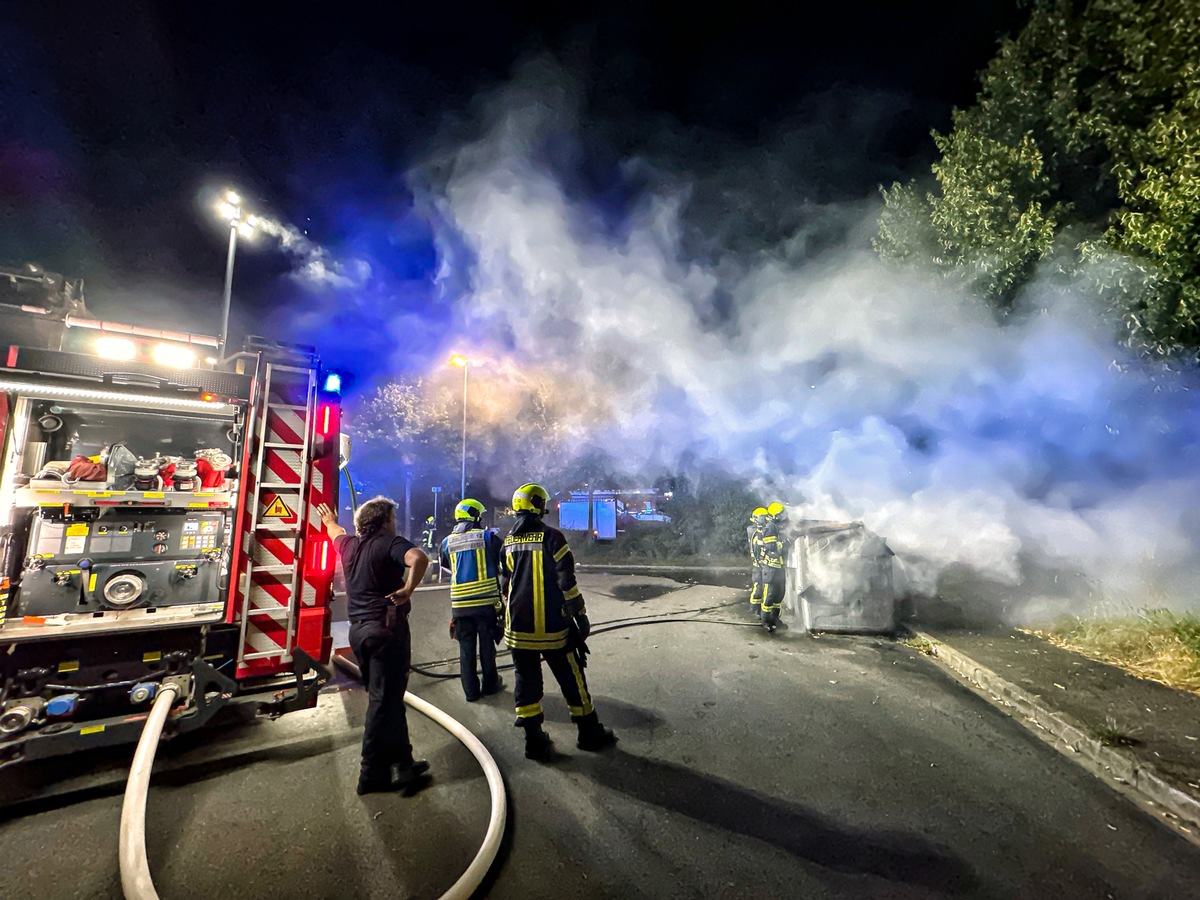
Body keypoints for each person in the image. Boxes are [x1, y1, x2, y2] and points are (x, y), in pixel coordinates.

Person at [318, 497, 430, 795]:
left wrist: (329, 521)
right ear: (384, 521)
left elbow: (334, 532)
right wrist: (407, 589)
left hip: (360, 634)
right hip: (386, 632)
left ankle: (404, 765)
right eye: (392, 518)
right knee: (382, 702)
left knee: (390, 698)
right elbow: (419, 559)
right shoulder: (389, 543)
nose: (395, 522)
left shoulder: (349, 545)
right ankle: (371, 774)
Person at [500, 482, 616, 760]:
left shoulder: (507, 541)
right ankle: (589, 732)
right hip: (552, 628)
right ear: (538, 505)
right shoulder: (552, 538)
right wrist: (579, 615)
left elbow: (505, 585)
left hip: (517, 630)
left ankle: (533, 740)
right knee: (572, 678)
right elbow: (567, 583)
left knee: (526, 681)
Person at [439, 498, 505, 702]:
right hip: (485, 604)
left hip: (460, 606)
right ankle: (491, 684)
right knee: (487, 646)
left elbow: (447, 566)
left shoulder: (447, 541)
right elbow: (502, 561)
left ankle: (471, 692)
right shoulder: (488, 538)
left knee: (466, 649)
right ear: (476, 516)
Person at [760, 501, 789, 633]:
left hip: (778, 568)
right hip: (771, 568)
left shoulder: (777, 527)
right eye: (780, 514)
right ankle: (766, 621)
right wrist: (785, 543)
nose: (783, 516)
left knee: (779, 595)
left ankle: (775, 619)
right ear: (775, 515)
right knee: (770, 596)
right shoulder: (770, 527)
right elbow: (770, 547)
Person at [748, 507, 768, 619]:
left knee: (761, 586)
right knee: (758, 585)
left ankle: (757, 607)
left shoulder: (756, 529)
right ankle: (755, 608)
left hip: (760, 563)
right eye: (762, 518)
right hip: (758, 564)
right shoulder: (753, 530)